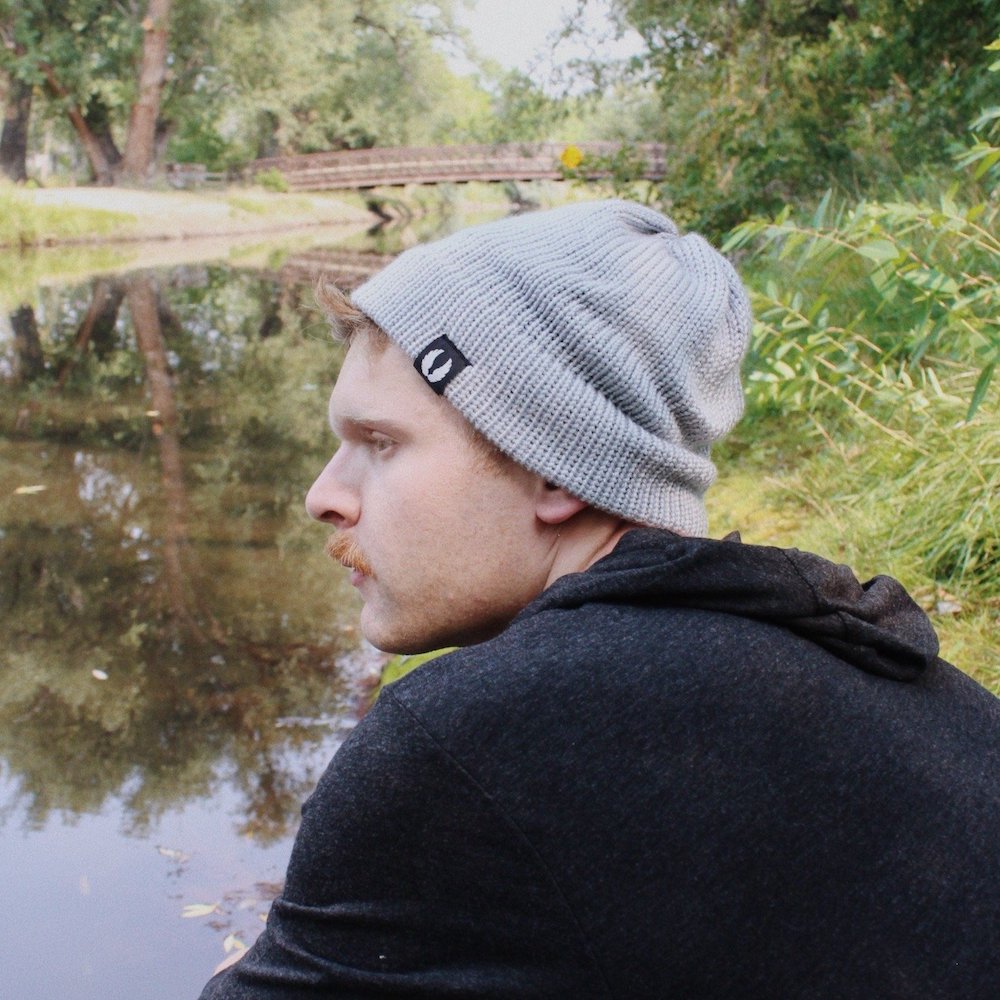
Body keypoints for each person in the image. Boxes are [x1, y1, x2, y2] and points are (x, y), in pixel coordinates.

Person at [199, 199, 999, 999]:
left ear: (551, 464)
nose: (323, 496)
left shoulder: (465, 744)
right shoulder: (915, 686)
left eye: (380, 443)